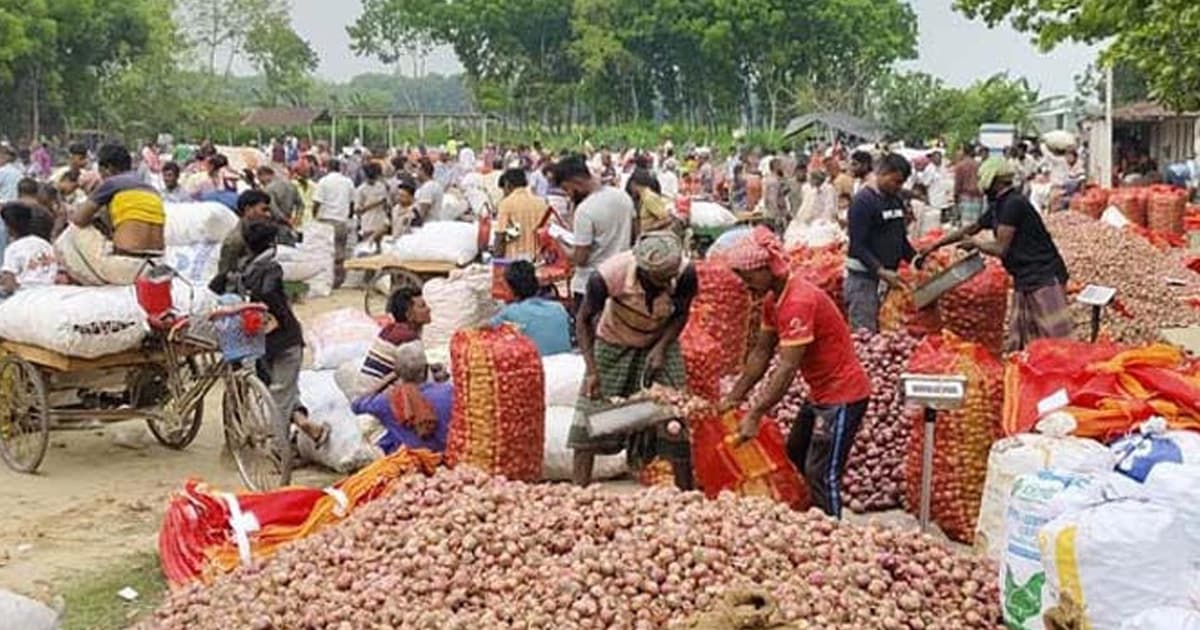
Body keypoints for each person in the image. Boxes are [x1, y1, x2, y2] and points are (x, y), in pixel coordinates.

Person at [718, 227, 871, 518]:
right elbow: (762, 353)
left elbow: (787, 367)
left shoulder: (797, 302)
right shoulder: (772, 300)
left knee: (821, 473)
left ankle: (833, 537)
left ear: (767, 269)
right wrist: (735, 397)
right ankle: (805, 524)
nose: (745, 285)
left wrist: (755, 413)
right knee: (795, 456)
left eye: (748, 278)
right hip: (820, 393)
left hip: (843, 395)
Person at [569, 232, 696, 489]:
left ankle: (687, 493)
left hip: (660, 339)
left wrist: (660, 348)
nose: (667, 284)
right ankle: (578, 492)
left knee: (673, 413)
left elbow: (681, 314)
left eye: (670, 278)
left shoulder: (685, 273)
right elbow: (583, 320)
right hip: (614, 341)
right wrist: (592, 370)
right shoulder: (608, 276)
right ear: (644, 272)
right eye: (661, 280)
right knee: (593, 416)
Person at [918, 157, 1071, 350]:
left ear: (996, 181)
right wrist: (936, 244)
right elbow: (973, 227)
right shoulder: (1000, 204)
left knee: (1054, 340)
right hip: (1025, 277)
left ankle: (1060, 376)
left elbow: (1000, 248)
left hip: (1044, 276)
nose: (983, 188)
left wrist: (975, 244)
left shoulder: (1013, 204)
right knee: (1027, 341)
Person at [236, 222, 328, 447]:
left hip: (262, 341)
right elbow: (269, 291)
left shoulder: (247, 268)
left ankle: (307, 426)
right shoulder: (272, 267)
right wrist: (280, 316)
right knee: (283, 395)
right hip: (285, 339)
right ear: (273, 243)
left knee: (282, 389)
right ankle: (280, 447)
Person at [60, 143, 164, 285]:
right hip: (157, 263)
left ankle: (90, 282)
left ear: (107, 169)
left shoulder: (111, 184)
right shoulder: (151, 189)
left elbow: (79, 219)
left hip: (127, 267)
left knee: (74, 229)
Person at [844, 153, 915, 332]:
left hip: (888, 278)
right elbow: (858, 246)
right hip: (863, 280)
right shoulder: (863, 201)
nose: (898, 187)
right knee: (865, 333)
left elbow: (900, 237)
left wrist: (916, 259)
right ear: (882, 173)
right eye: (895, 181)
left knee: (886, 331)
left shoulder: (896, 200)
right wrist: (881, 270)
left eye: (901, 183)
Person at [554, 154, 634, 308]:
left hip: (590, 286)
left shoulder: (585, 210)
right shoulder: (623, 197)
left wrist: (560, 244)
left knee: (587, 331)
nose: (568, 195)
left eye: (567, 189)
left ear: (576, 182)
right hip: (621, 282)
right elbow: (634, 235)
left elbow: (580, 258)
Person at [351, 342, 453, 454]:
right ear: (425, 368)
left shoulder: (387, 401)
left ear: (398, 372)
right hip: (445, 452)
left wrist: (389, 378)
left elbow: (356, 405)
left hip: (411, 459)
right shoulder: (448, 391)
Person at [355, 287, 432, 398]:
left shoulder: (390, 329)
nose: (429, 309)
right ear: (409, 315)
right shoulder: (408, 339)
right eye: (422, 306)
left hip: (366, 393)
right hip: (376, 396)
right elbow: (420, 377)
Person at [489, 260, 571, 356]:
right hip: (565, 361)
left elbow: (486, 330)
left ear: (511, 289)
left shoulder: (510, 313)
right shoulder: (558, 308)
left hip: (536, 365)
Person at [209, 190, 274, 294]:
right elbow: (226, 275)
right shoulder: (235, 241)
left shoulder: (265, 232)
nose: (268, 215)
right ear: (248, 210)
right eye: (264, 210)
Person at [312, 158, 356, 288]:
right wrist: (348, 215)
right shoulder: (348, 182)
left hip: (325, 220)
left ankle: (327, 279)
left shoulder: (323, 182)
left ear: (327, 168)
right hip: (341, 221)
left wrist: (314, 217)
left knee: (325, 252)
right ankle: (339, 280)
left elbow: (317, 202)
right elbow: (352, 202)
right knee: (340, 252)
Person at [0, 202, 57, 295]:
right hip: (49, 294)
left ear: (9, 227)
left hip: (24, 297)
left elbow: (9, 285)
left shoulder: (13, 249)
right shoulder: (46, 245)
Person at [495, 168, 547, 260]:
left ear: (507, 184)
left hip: (514, 258)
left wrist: (497, 259)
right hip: (538, 257)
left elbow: (501, 235)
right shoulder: (541, 203)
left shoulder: (506, 203)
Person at [626, 168, 673, 236]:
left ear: (634, 184)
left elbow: (666, 219)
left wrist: (649, 228)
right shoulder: (643, 198)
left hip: (652, 237)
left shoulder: (649, 198)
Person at [355, 161, 391, 247]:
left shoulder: (382, 186)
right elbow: (358, 210)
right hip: (367, 222)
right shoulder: (361, 189)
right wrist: (376, 203)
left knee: (379, 247)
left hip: (380, 222)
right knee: (367, 246)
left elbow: (387, 204)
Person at [833, 151, 873, 222]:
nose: (851, 168)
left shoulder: (873, 183)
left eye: (855, 164)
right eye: (851, 164)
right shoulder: (857, 183)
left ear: (865, 165)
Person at [955, 145, 984, 224]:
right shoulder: (978, 164)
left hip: (965, 195)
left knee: (966, 223)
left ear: (964, 152)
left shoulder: (960, 165)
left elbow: (958, 184)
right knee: (976, 222)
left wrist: (955, 196)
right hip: (978, 195)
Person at [413, 158, 444, 223]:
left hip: (427, 225)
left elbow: (422, 211)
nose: (416, 172)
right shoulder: (435, 184)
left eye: (417, 170)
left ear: (422, 171)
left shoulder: (428, 187)